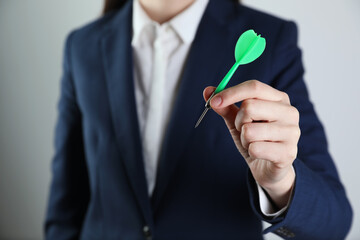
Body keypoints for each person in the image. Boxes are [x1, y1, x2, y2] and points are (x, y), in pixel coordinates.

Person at [45, 0, 353, 239]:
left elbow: (335, 222)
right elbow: (66, 205)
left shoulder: (273, 40)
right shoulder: (82, 46)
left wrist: (280, 182)